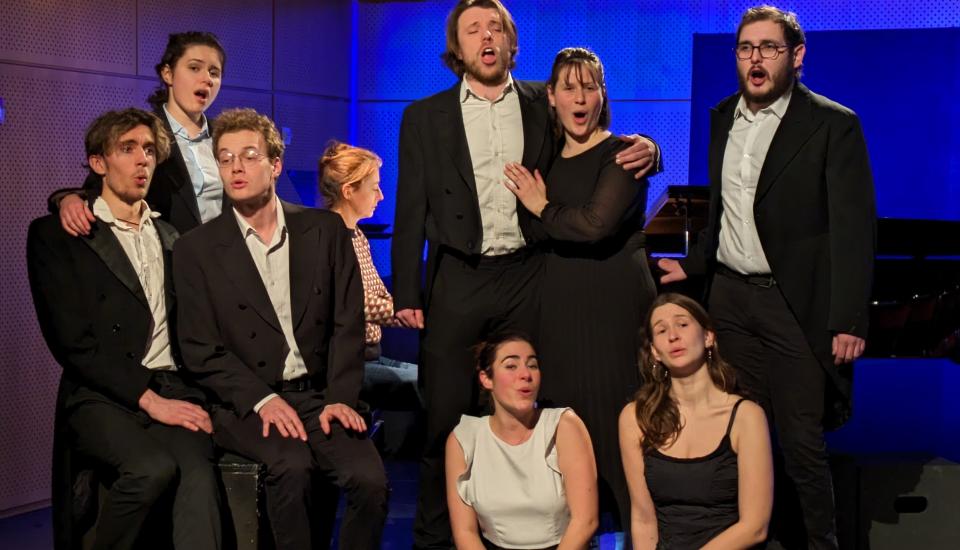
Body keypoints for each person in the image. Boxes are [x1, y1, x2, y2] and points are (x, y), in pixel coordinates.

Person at [391, 2, 660, 546]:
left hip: (528, 276)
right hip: (459, 278)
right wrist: (406, 291)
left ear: (511, 43)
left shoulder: (543, 100)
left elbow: (595, 137)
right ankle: (437, 540)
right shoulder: (424, 116)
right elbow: (410, 207)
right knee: (445, 420)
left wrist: (649, 149)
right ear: (457, 47)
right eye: (473, 30)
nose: (486, 37)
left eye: (496, 28)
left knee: (537, 412)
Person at [656, 6, 876, 548]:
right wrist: (696, 263)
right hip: (730, 300)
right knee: (738, 433)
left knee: (801, 442)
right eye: (746, 48)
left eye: (769, 48)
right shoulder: (722, 116)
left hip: (792, 304)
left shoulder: (832, 124)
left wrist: (848, 318)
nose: (756, 59)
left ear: (796, 57)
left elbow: (854, 230)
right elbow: (725, 211)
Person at [172, 108, 387, 550]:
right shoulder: (197, 249)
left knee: (369, 481)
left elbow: (347, 323)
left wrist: (340, 397)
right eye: (225, 157)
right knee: (292, 467)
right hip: (247, 402)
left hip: (319, 396)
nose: (235, 167)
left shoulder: (324, 229)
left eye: (249, 156)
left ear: (275, 165)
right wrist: (262, 400)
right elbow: (199, 348)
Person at [27, 108, 221, 550]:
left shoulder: (171, 238)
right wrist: (148, 399)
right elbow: (72, 344)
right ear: (99, 162)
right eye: (127, 148)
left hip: (171, 386)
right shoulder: (57, 235)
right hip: (100, 393)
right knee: (150, 469)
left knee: (198, 474)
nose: (142, 160)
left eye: (149, 150)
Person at [504, 47, 656, 535]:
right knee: (567, 440)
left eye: (590, 87)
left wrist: (542, 207)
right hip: (560, 313)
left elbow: (593, 225)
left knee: (619, 435)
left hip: (611, 311)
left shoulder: (624, 154)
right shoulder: (547, 159)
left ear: (603, 95)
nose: (580, 98)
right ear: (551, 96)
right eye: (569, 88)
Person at [619, 293, 773, 549]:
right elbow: (644, 519)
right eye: (661, 330)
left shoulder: (746, 416)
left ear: (708, 336)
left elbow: (754, 527)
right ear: (655, 352)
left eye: (682, 324)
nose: (673, 336)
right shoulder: (636, 417)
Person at [51, 31, 226, 236]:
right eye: (194, 68)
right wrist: (67, 199)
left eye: (214, 73)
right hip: (168, 252)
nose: (206, 79)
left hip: (228, 253)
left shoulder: (226, 136)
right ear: (167, 73)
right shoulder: (144, 134)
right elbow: (97, 187)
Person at [446, 330, 598, 550]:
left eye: (532, 365)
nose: (526, 374)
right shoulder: (465, 439)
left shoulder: (563, 426)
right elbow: (465, 532)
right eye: (511, 366)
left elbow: (585, 521)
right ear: (486, 379)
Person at [318, 141, 422, 452]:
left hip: (372, 353)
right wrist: (411, 313)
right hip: (349, 365)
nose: (381, 196)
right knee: (437, 387)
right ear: (349, 191)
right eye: (374, 188)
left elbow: (378, 293)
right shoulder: (329, 238)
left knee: (443, 377)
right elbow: (356, 304)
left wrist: (410, 307)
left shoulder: (357, 235)